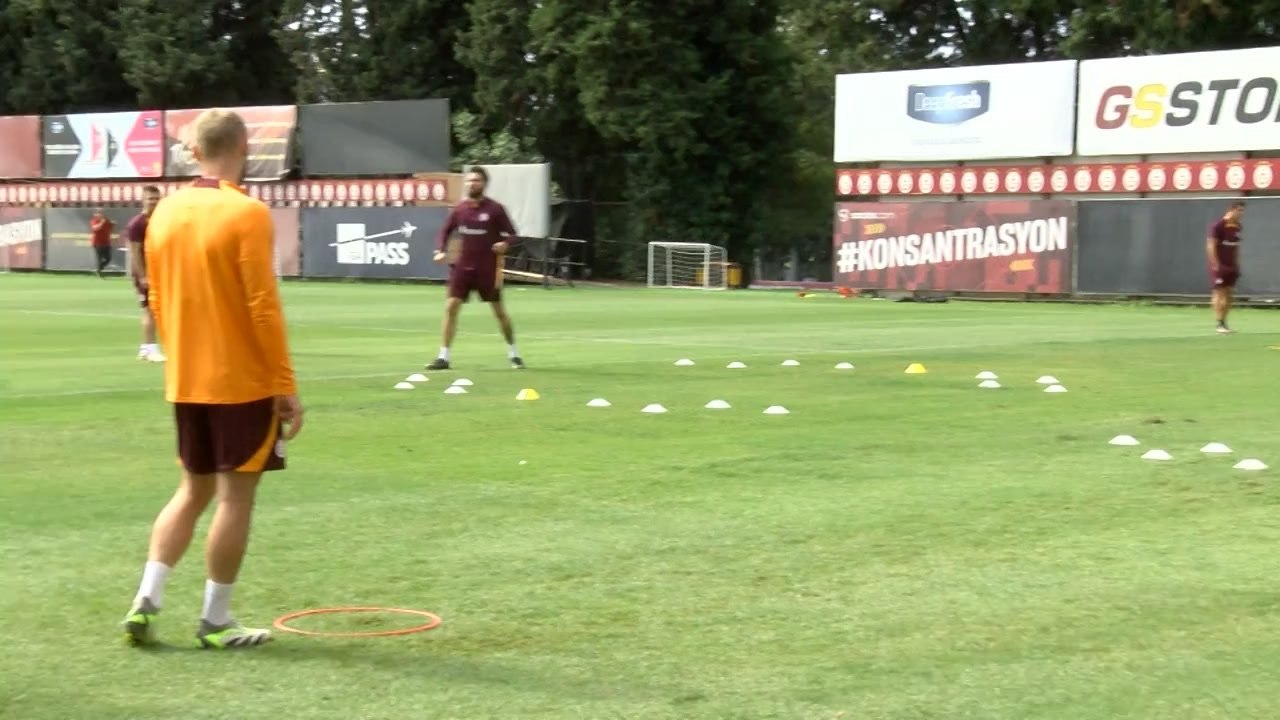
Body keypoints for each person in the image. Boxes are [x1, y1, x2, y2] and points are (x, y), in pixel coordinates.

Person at [120, 108, 304, 650]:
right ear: (244, 150)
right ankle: (215, 621)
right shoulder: (246, 213)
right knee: (234, 499)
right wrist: (285, 385)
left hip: (186, 380)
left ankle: (146, 601)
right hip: (240, 381)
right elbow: (262, 307)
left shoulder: (164, 214)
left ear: (195, 152)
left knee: (191, 491)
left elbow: (154, 295)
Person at [425, 166, 524, 370]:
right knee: (450, 307)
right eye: (469, 180)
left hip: (487, 269)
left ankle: (514, 353)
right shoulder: (460, 209)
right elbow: (445, 231)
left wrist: (505, 244)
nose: (472, 183)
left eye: (476, 180)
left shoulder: (495, 209)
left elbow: (513, 234)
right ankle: (443, 357)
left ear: (484, 184)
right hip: (462, 268)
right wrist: (439, 250)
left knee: (499, 312)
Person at [127, 186, 166, 362]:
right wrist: (143, 276)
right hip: (145, 273)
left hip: (158, 272)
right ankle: (150, 348)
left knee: (156, 310)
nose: (153, 202)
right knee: (149, 311)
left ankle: (145, 349)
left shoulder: (160, 221)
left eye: (156, 199)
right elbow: (134, 252)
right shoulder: (137, 223)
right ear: (143, 200)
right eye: (150, 199)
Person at [1207, 201, 1245, 334]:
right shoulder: (1217, 226)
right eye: (1239, 211)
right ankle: (1219, 323)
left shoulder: (1237, 227)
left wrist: (1236, 264)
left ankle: (1224, 322)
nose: (1241, 214)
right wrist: (1215, 264)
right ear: (1231, 210)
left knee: (1229, 294)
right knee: (1219, 292)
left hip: (1231, 266)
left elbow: (1237, 247)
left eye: (1242, 211)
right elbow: (1211, 246)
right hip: (1220, 265)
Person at [89, 209, 113, 277]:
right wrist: (102, 223)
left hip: (106, 242)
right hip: (97, 243)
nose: (101, 214)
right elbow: (95, 228)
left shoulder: (106, 220)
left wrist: (112, 224)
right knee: (99, 258)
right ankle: (99, 272)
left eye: (102, 213)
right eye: (99, 213)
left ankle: (99, 268)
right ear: (95, 214)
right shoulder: (94, 220)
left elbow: (110, 229)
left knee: (108, 258)